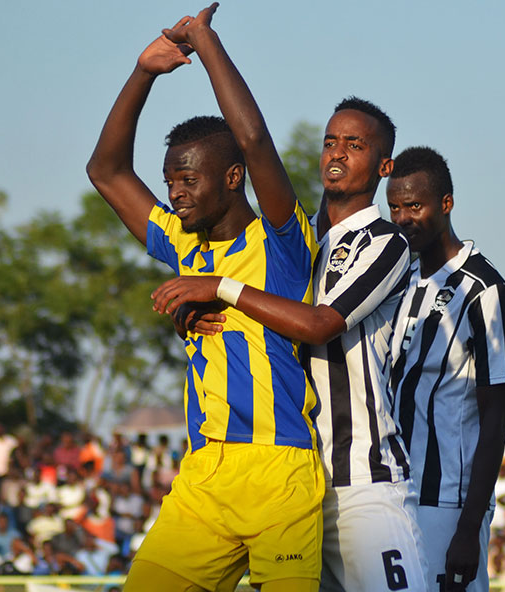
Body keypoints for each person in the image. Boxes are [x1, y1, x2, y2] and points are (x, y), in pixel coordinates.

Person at [154, 6, 427, 590]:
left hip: (360, 482)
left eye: (355, 145)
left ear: (383, 166)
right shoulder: (304, 239)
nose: (337, 153)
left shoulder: (387, 242)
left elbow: (319, 323)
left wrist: (221, 289)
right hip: (295, 474)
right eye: (331, 141)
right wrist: (200, 314)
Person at [86, 9, 322, 590]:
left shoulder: (281, 243)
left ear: (234, 178)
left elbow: (254, 140)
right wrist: (143, 72)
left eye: (189, 179)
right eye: (170, 180)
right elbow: (106, 171)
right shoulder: (180, 242)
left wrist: (204, 41)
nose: (175, 192)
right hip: (203, 475)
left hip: (279, 469)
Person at [385, 146, 505, 592]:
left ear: (446, 204)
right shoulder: (399, 282)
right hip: (394, 491)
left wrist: (468, 527)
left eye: (414, 206)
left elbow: (496, 416)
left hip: (447, 501)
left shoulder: (485, 291)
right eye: (395, 208)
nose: (403, 219)